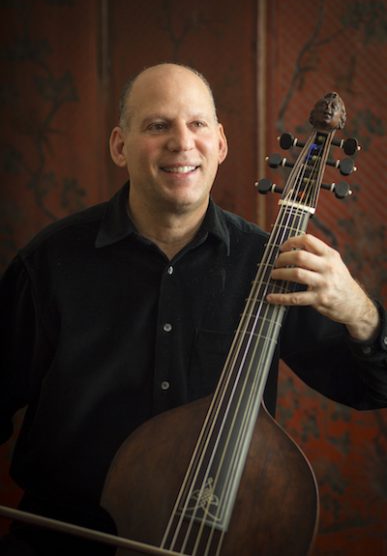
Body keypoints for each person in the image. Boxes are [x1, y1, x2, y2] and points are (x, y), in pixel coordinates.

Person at [0, 63, 386, 556]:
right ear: (120, 146)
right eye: (157, 125)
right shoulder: (49, 265)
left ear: (220, 144)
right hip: (66, 544)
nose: (182, 143)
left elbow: (373, 389)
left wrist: (361, 312)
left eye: (197, 124)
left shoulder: (270, 264)